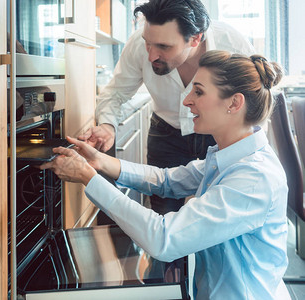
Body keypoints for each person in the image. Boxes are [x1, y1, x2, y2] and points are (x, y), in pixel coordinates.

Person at [41, 50, 290, 299]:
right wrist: (99, 161)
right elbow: (167, 180)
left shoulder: (253, 179)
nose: (186, 100)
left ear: (234, 103)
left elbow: (162, 239)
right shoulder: (230, 156)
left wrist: (88, 177)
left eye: (199, 92)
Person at [81, 0, 256, 215]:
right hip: (166, 134)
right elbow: (115, 93)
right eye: (148, 43)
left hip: (221, 136)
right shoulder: (139, 44)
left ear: (195, 39)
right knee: (162, 211)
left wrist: (248, 151)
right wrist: (108, 125)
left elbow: (255, 100)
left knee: (223, 213)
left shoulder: (231, 44)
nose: (151, 55)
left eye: (164, 46)